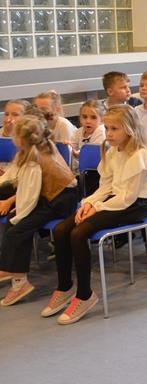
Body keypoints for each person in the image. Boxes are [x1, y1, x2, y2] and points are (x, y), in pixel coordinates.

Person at [43, 105, 147, 324]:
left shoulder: (140, 154)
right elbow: (105, 187)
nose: (109, 134)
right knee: (61, 229)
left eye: (114, 129)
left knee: (78, 233)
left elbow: (128, 198)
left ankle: (85, 295)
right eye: (107, 128)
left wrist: (97, 208)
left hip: (135, 206)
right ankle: (65, 287)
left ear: (130, 129)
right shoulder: (112, 150)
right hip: (113, 200)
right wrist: (88, 203)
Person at [0, 113, 78, 306]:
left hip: (60, 200)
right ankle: (12, 272)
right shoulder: (28, 150)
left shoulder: (35, 158)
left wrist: (19, 213)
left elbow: (29, 196)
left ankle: (18, 281)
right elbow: (13, 175)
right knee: (13, 224)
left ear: (21, 139)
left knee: (17, 228)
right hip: (48, 195)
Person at [69, 99, 107, 167]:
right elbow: (72, 148)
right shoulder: (79, 131)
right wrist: (68, 147)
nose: (88, 121)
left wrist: (77, 153)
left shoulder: (101, 131)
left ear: (102, 119)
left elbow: (91, 155)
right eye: (84, 117)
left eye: (93, 117)